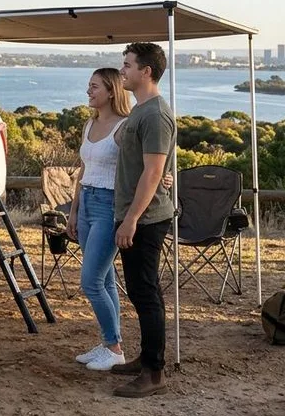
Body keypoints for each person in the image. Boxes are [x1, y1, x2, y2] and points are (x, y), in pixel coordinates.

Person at [110, 42, 176, 398]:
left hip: (147, 218)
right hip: (135, 213)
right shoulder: (141, 110)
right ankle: (148, 358)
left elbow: (153, 174)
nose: (122, 70)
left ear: (146, 71)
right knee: (142, 291)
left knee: (145, 293)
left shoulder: (154, 115)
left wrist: (131, 219)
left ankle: (154, 373)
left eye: (127, 64)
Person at [66, 68, 131, 372]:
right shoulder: (89, 124)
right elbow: (83, 169)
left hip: (109, 206)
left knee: (91, 281)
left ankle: (115, 347)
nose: (88, 92)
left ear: (111, 91)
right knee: (106, 280)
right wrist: (75, 210)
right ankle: (109, 345)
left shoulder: (125, 127)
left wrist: (165, 179)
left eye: (94, 87)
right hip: (88, 203)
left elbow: (145, 166)